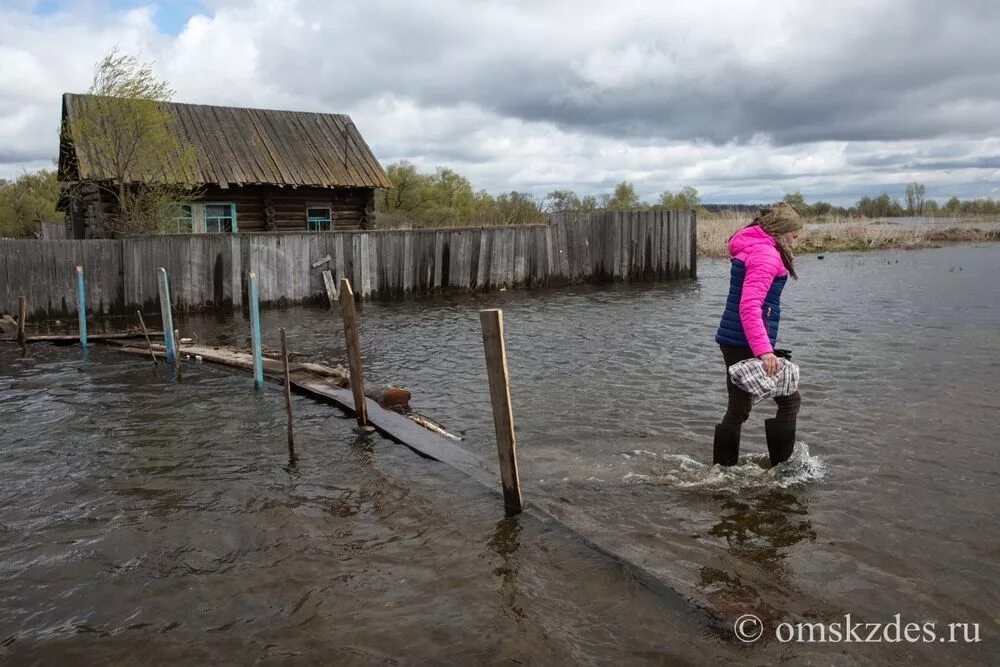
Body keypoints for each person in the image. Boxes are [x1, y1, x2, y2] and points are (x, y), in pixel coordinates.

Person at [713, 202, 803, 467]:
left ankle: (722, 471)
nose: (795, 243)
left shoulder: (756, 247)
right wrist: (764, 351)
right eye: (794, 237)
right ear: (780, 232)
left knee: (738, 409)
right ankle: (784, 471)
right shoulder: (766, 255)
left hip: (735, 340)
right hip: (746, 341)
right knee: (789, 401)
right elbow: (749, 306)